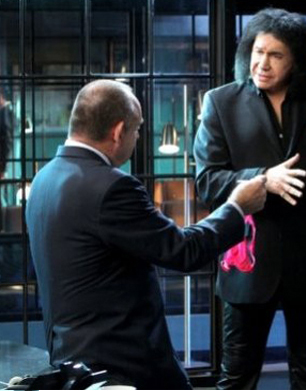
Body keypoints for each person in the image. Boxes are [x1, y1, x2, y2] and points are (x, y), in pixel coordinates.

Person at [25, 80, 267, 390]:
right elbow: (184, 251)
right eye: (137, 129)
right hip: (125, 368)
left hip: (73, 361)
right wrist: (237, 206)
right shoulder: (112, 187)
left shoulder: (43, 179)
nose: (138, 137)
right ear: (118, 131)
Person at [194, 8, 306, 390]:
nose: (263, 63)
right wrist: (262, 179)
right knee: (237, 378)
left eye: (276, 55)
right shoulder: (221, 103)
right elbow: (207, 182)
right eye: (258, 52)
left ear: (298, 61)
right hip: (247, 262)